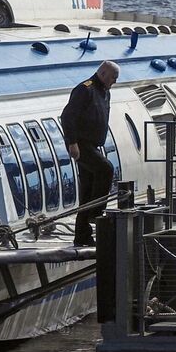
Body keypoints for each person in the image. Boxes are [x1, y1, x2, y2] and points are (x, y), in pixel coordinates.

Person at [60, 60, 120, 247]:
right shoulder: (85, 89)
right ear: (103, 73)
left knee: (87, 190)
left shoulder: (104, 92)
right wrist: (72, 143)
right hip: (81, 145)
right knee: (106, 169)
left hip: (93, 144)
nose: (114, 81)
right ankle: (96, 212)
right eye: (113, 77)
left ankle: (82, 235)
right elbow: (68, 116)